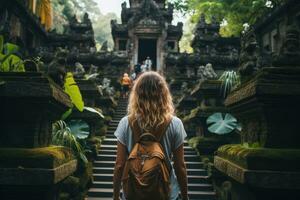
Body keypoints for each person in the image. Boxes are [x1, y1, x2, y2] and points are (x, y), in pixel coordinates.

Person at [113, 71, 188, 200]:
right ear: (164, 94)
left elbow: (120, 164)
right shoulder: (175, 123)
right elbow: (180, 165)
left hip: (133, 190)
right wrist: (185, 196)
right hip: (166, 191)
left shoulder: (125, 123)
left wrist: (115, 196)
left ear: (136, 94)